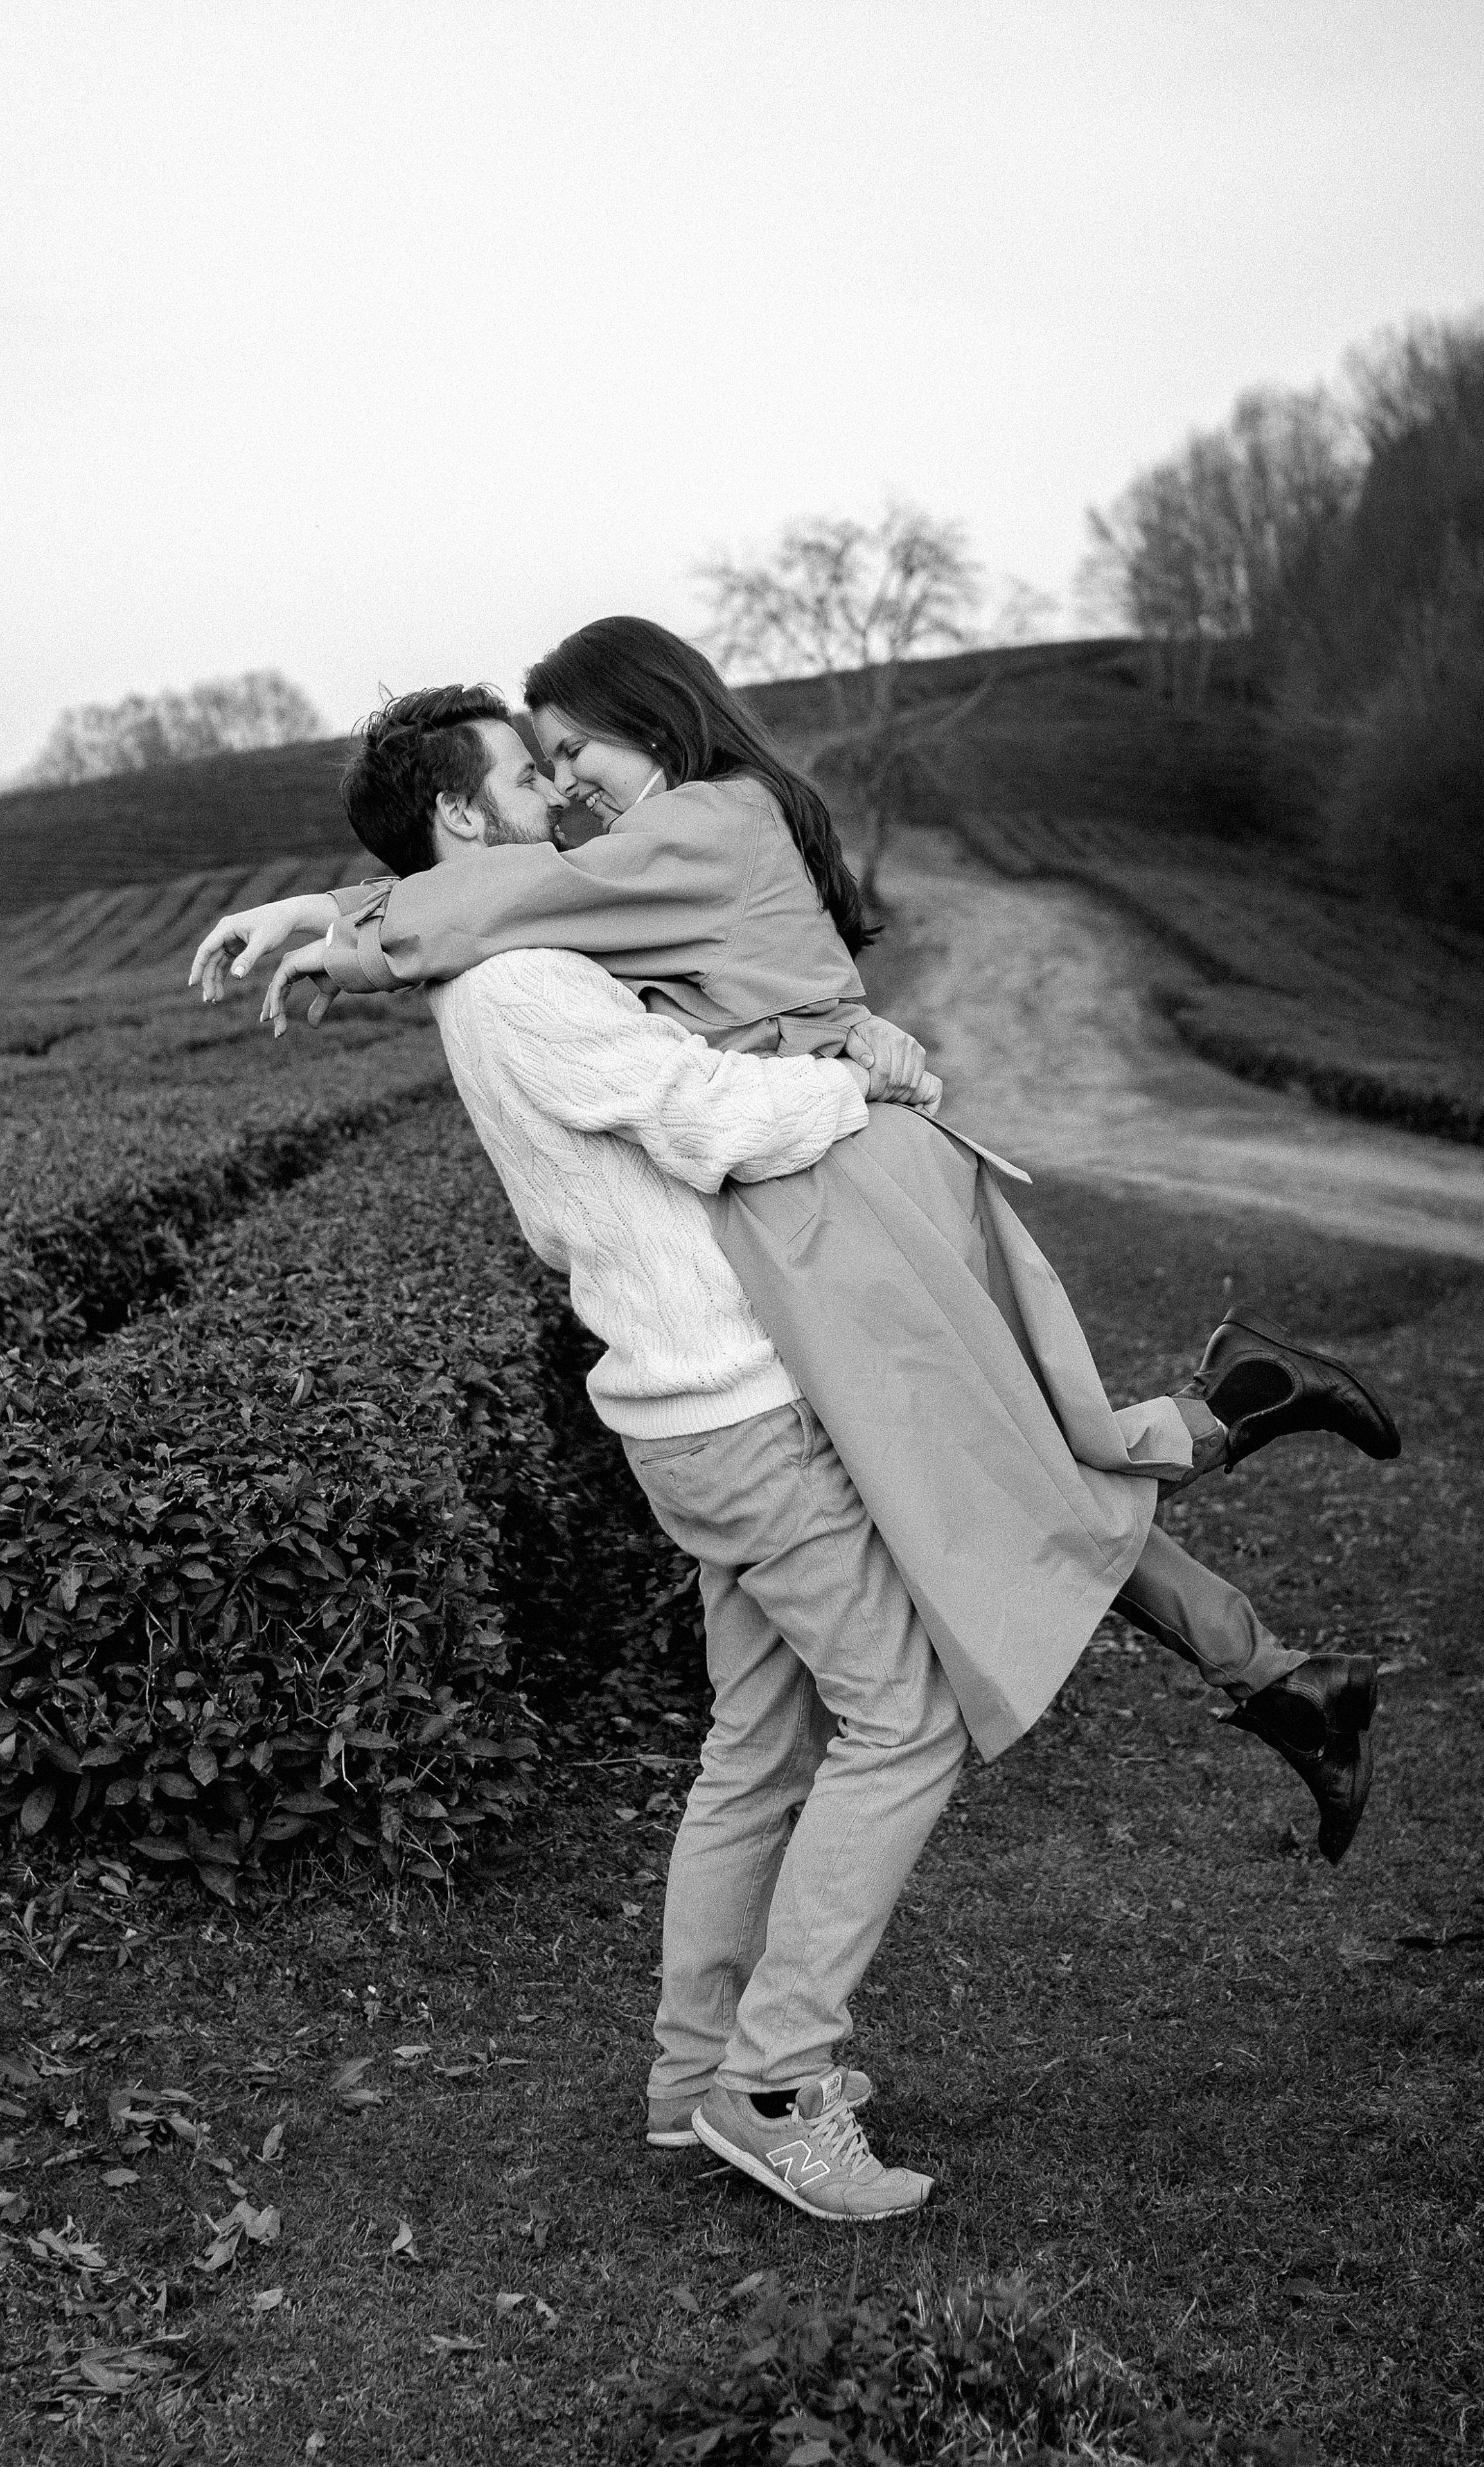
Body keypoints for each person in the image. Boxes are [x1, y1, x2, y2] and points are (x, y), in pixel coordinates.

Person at [189, 627, 1396, 1873]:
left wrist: (340, 931)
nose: (564, 788)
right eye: (541, 766)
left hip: (847, 1172)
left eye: (571, 752)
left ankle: (1244, 1423)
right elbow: (503, 884)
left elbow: (509, 889)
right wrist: (330, 908)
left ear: (645, 722)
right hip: (820, 1181)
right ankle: (1278, 1667)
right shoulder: (649, 845)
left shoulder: (711, 822)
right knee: (993, 1470)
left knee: (1021, 1460)